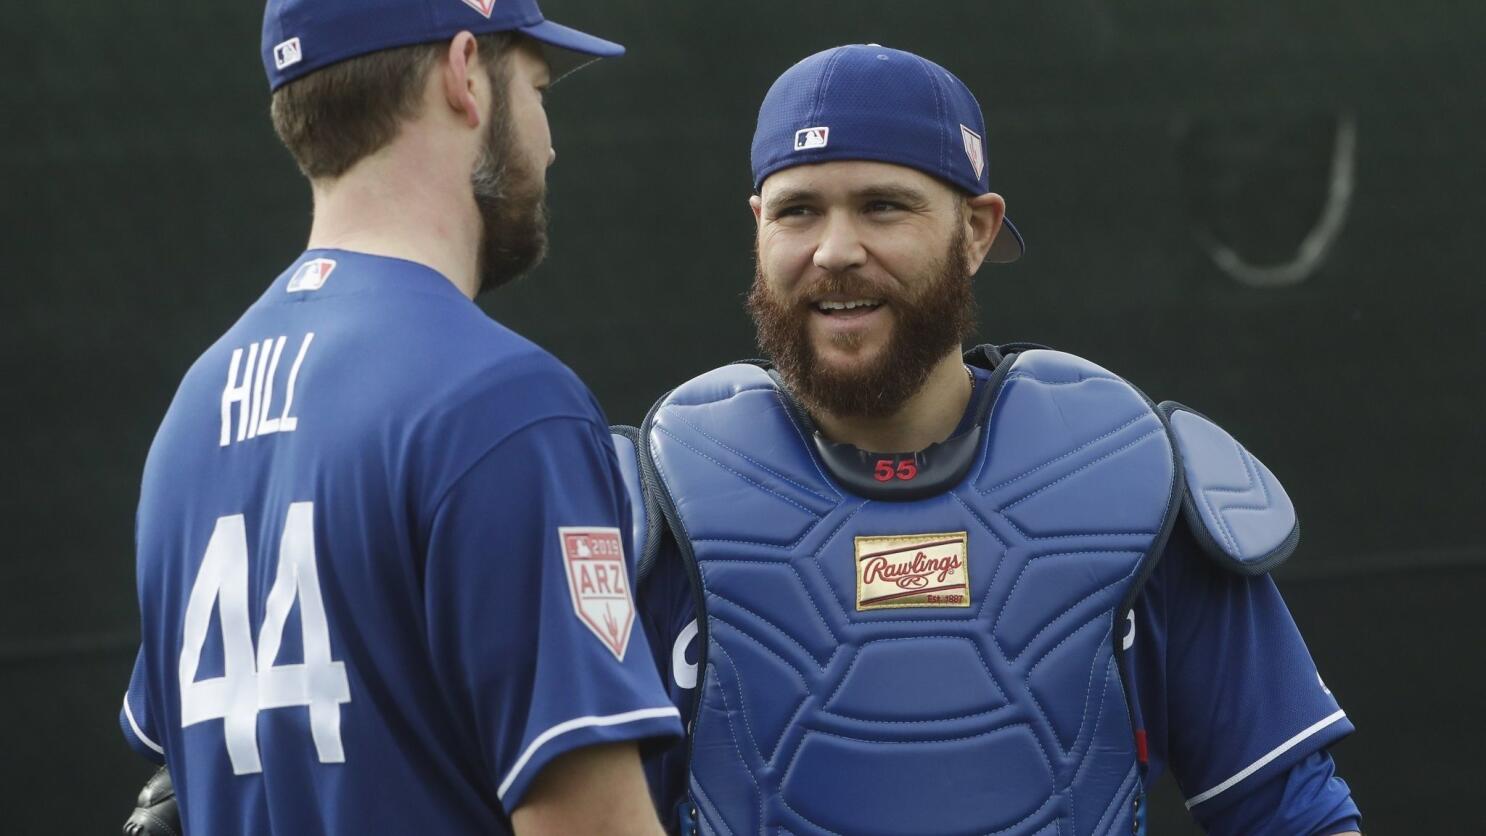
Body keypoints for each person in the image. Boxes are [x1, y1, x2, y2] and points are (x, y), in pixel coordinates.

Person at [632, 45, 1363, 835]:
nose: (835, 250)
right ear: (758, 227)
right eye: (798, 210)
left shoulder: (1124, 477)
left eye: (883, 206)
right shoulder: (658, 506)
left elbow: (1293, 812)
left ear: (977, 231)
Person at [117, 1, 681, 833]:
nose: (550, 140)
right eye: (538, 88)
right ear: (463, 74)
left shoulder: (191, 416)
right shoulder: (501, 401)